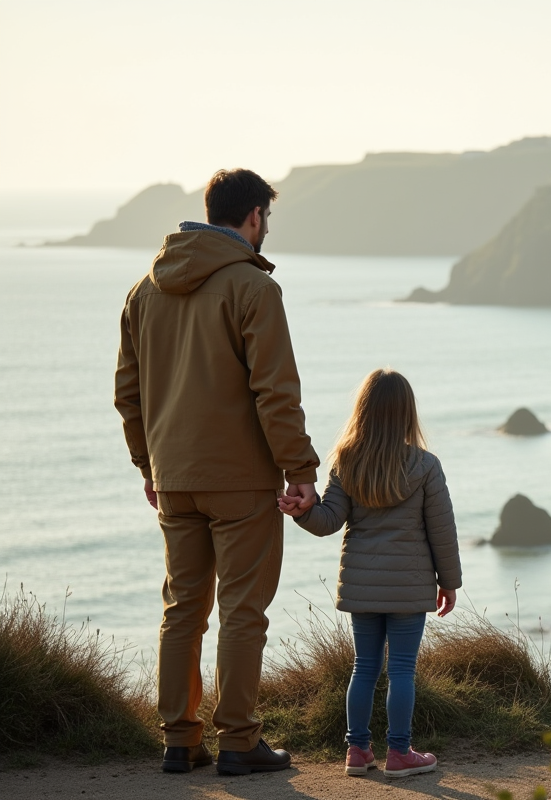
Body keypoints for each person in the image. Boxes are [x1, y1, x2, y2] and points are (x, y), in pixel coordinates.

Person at [114, 169, 319, 775]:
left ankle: (180, 741)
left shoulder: (143, 292)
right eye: (267, 220)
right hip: (241, 479)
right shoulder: (251, 288)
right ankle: (238, 743)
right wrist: (300, 471)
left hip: (173, 476)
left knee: (182, 609)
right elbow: (274, 392)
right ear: (254, 216)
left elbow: (129, 394)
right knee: (242, 611)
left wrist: (147, 464)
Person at [279, 368, 461, 779]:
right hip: (409, 588)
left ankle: (357, 751)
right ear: (406, 414)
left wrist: (300, 513)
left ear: (363, 411)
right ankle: (400, 754)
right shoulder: (426, 466)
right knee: (400, 670)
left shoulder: (346, 461)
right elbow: (442, 531)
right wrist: (449, 582)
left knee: (364, 667)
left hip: (362, 585)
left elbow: (328, 521)